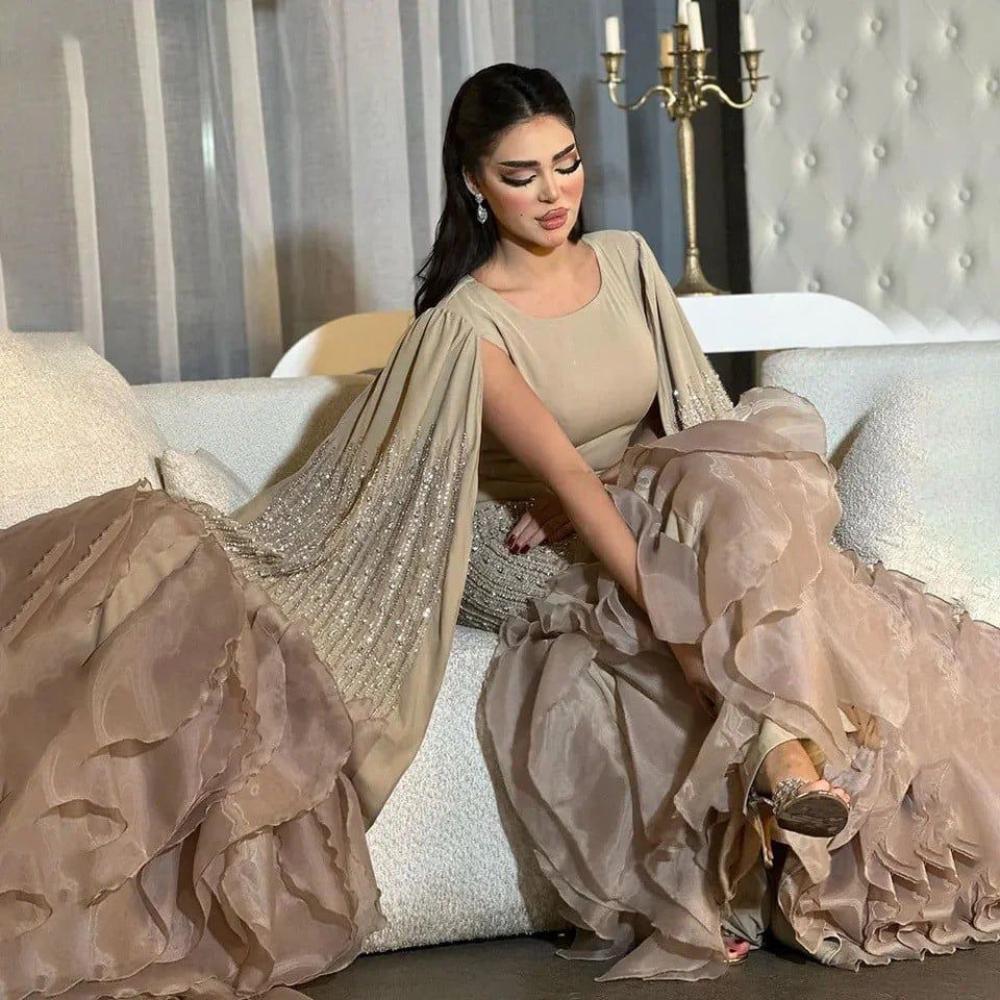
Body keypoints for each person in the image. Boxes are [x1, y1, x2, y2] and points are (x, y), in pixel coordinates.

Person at [0, 61, 997, 1000]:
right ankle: (780, 754)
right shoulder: (468, 323)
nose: (554, 194)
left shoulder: (628, 260)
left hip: (624, 494)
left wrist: (636, 490)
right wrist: (687, 639)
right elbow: (559, 475)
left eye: (566, 164)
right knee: (667, 601)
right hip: (513, 535)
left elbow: (687, 419)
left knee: (736, 477)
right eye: (521, 176)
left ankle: (780, 751)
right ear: (476, 185)